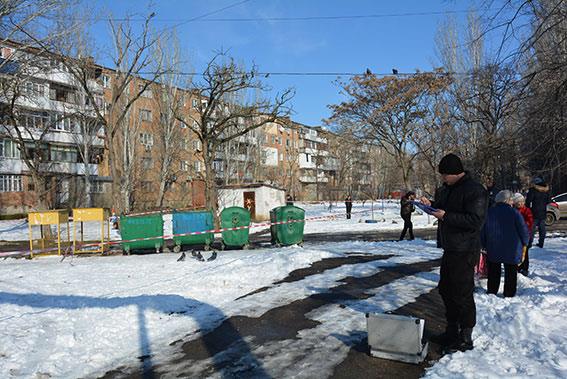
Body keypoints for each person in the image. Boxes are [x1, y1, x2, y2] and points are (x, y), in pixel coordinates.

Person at [420, 153, 487, 353]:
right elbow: (445, 209)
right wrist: (431, 206)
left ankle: (465, 336)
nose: (442, 179)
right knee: (446, 289)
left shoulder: (474, 190)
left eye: (444, 175)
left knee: (462, 293)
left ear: (455, 173)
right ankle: (451, 330)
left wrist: (446, 216)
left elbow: (475, 221)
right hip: (450, 247)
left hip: (465, 249)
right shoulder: (448, 189)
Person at [481, 190, 529, 297]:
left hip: (493, 246)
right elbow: (523, 229)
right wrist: (525, 242)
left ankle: (492, 291)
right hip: (512, 248)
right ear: (508, 200)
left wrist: (483, 244)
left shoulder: (489, 212)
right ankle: (509, 293)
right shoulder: (515, 213)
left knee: (493, 270)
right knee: (511, 271)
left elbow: (482, 230)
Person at [525, 177, 551, 248]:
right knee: (542, 229)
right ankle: (541, 243)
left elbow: (528, 201)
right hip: (543, 212)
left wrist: (528, 209)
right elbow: (549, 201)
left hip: (534, 212)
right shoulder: (546, 190)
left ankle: (529, 243)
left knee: (531, 229)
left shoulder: (532, 190)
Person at [513, 193, 533, 276]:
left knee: (525, 252)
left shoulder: (527, 210)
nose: (520, 204)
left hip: (525, 234)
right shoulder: (513, 210)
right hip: (516, 236)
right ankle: (517, 267)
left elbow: (530, 221)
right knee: (516, 252)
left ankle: (525, 268)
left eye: (521, 202)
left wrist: (523, 225)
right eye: (518, 202)